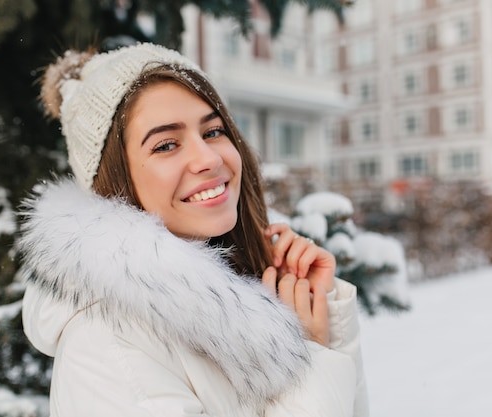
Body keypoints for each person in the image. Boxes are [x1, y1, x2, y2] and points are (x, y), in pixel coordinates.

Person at [19, 43, 369, 417]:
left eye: (214, 131)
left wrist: (317, 313)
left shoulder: (245, 297)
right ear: (115, 183)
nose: (208, 158)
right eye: (166, 145)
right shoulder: (108, 346)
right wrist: (311, 357)